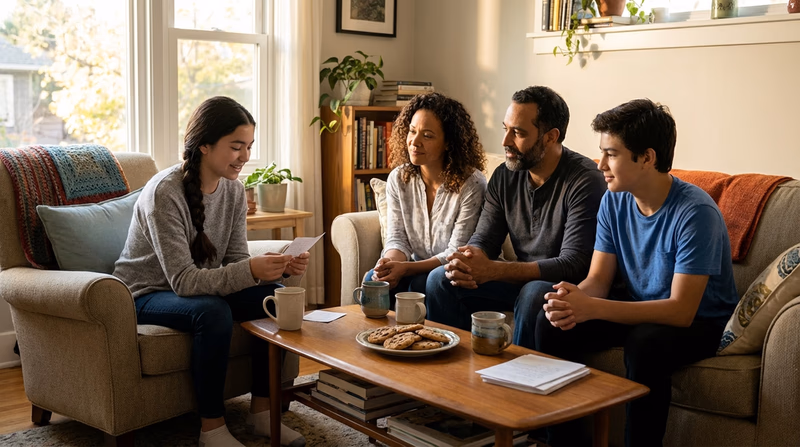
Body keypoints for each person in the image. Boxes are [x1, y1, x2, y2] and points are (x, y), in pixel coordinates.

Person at [536, 99, 739, 446]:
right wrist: (574, 299)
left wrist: (594, 308)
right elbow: (598, 280)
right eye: (601, 152)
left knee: (646, 343)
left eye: (611, 154)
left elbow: (680, 310)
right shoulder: (614, 200)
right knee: (553, 324)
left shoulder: (695, 213)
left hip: (700, 322)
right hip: (641, 307)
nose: (600, 164)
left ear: (647, 158)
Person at [113, 96, 308, 447]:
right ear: (204, 144)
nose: (245, 157)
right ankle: (212, 429)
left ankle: (262, 413)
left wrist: (278, 269)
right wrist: (249, 270)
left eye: (248, 146)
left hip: (191, 289)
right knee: (212, 312)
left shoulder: (233, 190)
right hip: (146, 293)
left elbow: (233, 259)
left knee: (272, 298)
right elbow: (184, 281)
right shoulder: (165, 192)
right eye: (236, 147)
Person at [426, 86, 606, 349]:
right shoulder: (505, 175)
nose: (505, 141)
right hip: (518, 283)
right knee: (440, 279)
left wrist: (495, 269)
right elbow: (484, 240)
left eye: (518, 133)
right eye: (505, 129)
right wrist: (467, 261)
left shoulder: (584, 180)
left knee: (535, 293)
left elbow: (574, 263)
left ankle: (518, 382)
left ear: (550, 137)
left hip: (566, 288)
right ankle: (455, 377)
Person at [366, 92, 487, 304]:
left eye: (428, 135)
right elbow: (398, 239)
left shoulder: (472, 184)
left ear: (448, 142)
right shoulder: (399, 178)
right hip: (414, 268)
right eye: (412, 131)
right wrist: (389, 264)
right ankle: (378, 337)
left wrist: (405, 269)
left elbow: (455, 253)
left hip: (452, 272)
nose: (414, 142)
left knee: (422, 283)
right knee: (373, 280)